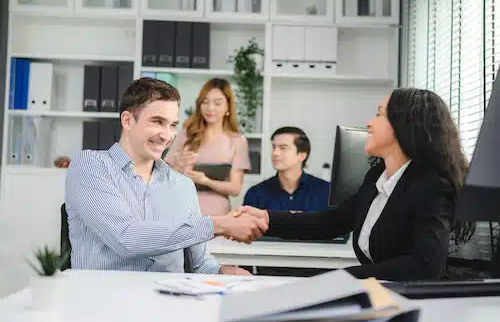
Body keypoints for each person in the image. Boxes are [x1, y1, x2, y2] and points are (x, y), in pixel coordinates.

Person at [234, 87, 475, 281]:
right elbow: (330, 222)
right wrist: (266, 218)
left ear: (403, 126)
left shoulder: (432, 186)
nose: (369, 123)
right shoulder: (377, 178)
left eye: (379, 114)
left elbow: (423, 266)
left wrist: (342, 279)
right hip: (381, 296)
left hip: (417, 305)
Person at [65, 77, 267, 275]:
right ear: (127, 120)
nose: (167, 136)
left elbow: (200, 265)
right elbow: (125, 238)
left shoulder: (183, 185)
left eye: (172, 125)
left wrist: (223, 272)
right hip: (106, 302)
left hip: (170, 301)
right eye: (157, 122)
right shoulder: (91, 166)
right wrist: (220, 224)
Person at [164, 78, 251, 216]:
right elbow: (164, 178)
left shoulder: (237, 141)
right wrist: (180, 168)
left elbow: (235, 188)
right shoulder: (186, 135)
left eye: (217, 103)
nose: (210, 108)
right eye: (205, 102)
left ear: (228, 106)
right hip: (182, 209)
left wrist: (206, 181)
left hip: (217, 213)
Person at [243, 126, 330, 213]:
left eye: (283, 148)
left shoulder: (326, 191)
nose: (275, 153)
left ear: (302, 155)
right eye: (273, 147)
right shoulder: (256, 193)